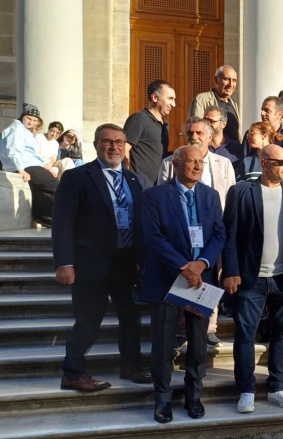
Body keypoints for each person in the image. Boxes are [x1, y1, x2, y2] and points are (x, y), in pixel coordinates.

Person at [52, 123, 150, 392]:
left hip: (126, 263)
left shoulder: (135, 181)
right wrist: (64, 262)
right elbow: (62, 223)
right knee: (88, 321)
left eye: (119, 142)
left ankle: (131, 366)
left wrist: (143, 258)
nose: (114, 147)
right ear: (96, 145)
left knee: (130, 319)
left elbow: (140, 224)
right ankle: (72, 373)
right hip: (89, 266)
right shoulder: (77, 178)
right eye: (107, 142)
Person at [222, 144, 283, 413]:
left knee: (281, 335)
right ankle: (246, 389)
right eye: (280, 162)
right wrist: (230, 271)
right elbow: (229, 236)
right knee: (245, 336)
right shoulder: (241, 192)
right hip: (250, 279)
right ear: (263, 163)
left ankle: (277, 386)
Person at [140, 145, 226, 423]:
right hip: (166, 280)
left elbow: (219, 234)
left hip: (201, 281)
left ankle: (194, 396)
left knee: (198, 344)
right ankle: (162, 400)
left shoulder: (210, 196)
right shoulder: (154, 196)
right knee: (163, 345)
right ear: (175, 164)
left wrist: (201, 264)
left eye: (200, 162)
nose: (197, 166)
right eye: (190, 162)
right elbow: (153, 238)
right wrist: (184, 267)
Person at [157, 117, 235, 347]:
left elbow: (230, 199)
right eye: (191, 132)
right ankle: (182, 328)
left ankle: (209, 327)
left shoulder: (223, 164)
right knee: (185, 277)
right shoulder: (171, 162)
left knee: (211, 278)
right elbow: (162, 196)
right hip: (180, 235)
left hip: (213, 233)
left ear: (210, 137)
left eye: (200, 133)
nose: (195, 136)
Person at [0, 104, 59, 226]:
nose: (31, 122)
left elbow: (32, 154)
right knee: (56, 185)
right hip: (25, 166)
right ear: (23, 116)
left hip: (31, 164)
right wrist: (20, 169)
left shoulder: (23, 130)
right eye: (29, 118)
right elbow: (13, 150)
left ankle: (43, 216)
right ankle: (49, 216)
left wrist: (45, 166)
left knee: (41, 187)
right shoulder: (16, 129)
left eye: (34, 120)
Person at [124, 80, 175, 187]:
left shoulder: (165, 124)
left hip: (158, 186)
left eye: (174, 99)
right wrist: (127, 178)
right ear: (155, 97)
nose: (173, 104)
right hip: (139, 186)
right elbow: (124, 149)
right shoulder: (139, 119)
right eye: (170, 99)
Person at [189, 65, 241, 141]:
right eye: (226, 79)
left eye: (234, 80)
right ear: (216, 80)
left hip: (233, 151)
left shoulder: (233, 103)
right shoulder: (202, 99)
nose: (231, 84)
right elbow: (196, 128)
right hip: (211, 150)